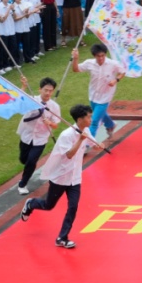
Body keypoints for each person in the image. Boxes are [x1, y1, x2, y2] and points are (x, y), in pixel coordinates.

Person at [20, 104, 101, 249]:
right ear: (80, 119)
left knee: (73, 207)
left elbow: (91, 143)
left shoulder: (86, 130)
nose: (91, 119)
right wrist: (80, 140)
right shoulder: (66, 135)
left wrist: (97, 145)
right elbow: (69, 155)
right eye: (89, 116)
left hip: (75, 178)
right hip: (60, 177)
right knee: (48, 205)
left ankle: (62, 237)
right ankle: (31, 204)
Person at [16, 77, 61, 195]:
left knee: (31, 161)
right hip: (26, 135)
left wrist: (50, 123)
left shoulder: (54, 106)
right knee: (24, 159)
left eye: (51, 91)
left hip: (40, 139)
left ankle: (22, 184)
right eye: (46, 90)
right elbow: (19, 102)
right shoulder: (32, 100)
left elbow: (56, 124)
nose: (48, 93)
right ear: (40, 89)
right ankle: (27, 169)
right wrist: (24, 86)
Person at [71, 44, 125, 139]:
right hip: (93, 94)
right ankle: (110, 124)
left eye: (102, 55)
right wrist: (75, 58)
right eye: (98, 56)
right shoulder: (89, 63)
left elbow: (122, 71)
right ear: (94, 56)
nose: (101, 58)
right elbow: (75, 69)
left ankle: (88, 144)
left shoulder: (113, 64)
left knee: (94, 120)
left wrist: (116, 80)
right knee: (101, 113)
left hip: (106, 95)